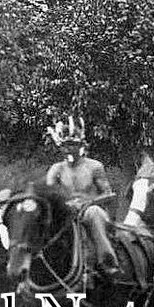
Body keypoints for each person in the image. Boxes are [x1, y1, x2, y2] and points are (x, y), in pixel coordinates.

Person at [44, 114, 120, 276]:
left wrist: (89, 203)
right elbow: (49, 196)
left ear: (81, 145)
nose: (68, 149)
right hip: (65, 213)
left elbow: (108, 194)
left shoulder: (94, 167)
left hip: (91, 211)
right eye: (65, 145)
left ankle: (107, 261)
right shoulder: (56, 169)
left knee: (93, 214)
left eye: (72, 145)